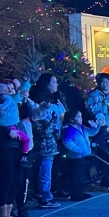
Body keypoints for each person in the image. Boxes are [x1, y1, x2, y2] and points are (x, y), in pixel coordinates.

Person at [30, 74, 65, 210]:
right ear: (46, 84)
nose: (56, 85)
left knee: (48, 169)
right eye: (54, 82)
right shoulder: (41, 103)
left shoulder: (56, 99)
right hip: (45, 141)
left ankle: (47, 193)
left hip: (54, 139)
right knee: (44, 169)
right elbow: (41, 123)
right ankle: (44, 197)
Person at [61, 110, 99, 201]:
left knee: (81, 175)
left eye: (81, 116)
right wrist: (78, 150)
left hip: (83, 155)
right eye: (78, 117)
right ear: (71, 119)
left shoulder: (81, 127)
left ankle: (80, 192)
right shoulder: (69, 129)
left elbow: (91, 132)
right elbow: (67, 142)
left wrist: (96, 127)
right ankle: (75, 194)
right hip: (75, 157)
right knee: (75, 176)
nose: (80, 119)